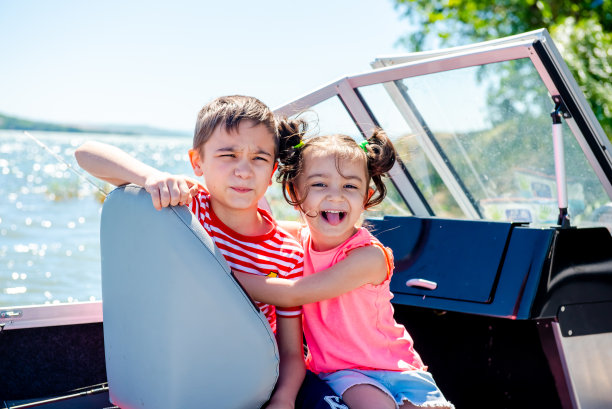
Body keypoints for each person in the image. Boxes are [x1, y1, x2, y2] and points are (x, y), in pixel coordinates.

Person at [74, 95, 347, 409]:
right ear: (197, 162)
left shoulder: (287, 253)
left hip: (250, 380)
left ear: (272, 170)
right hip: (180, 370)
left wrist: (284, 400)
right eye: (228, 155)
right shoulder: (188, 205)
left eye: (259, 158)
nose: (243, 171)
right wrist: (150, 178)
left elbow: (290, 353)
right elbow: (86, 154)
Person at [235, 129, 454, 409]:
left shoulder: (368, 257)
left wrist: (226, 276)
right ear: (294, 191)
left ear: (366, 196)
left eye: (350, 186)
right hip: (346, 373)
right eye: (319, 185)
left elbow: (295, 293)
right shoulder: (296, 239)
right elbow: (250, 224)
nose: (335, 196)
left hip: (399, 368)